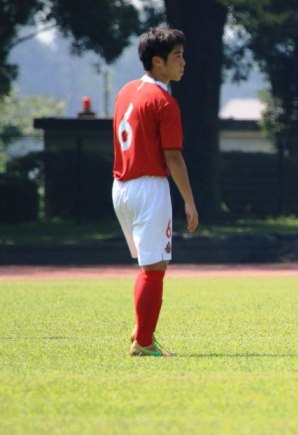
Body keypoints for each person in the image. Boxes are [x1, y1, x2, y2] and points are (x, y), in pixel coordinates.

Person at [112, 27, 199, 356]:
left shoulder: (126, 91)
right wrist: (189, 201)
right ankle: (144, 343)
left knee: (148, 266)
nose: (183, 62)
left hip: (121, 187)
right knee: (155, 268)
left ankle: (140, 331)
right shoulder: (164, 101)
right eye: (177, 56)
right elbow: (173, 156)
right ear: (158, 62)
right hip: (149, 188)